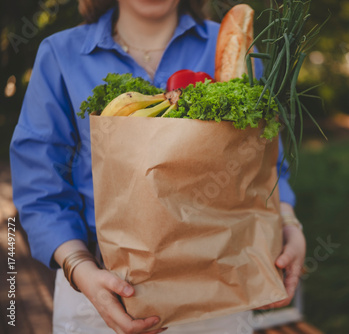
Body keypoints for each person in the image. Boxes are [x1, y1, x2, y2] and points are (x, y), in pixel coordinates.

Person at [10, 0, 307, 333]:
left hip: (220, 289)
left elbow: (267, 167)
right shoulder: (61, 54)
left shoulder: (237, 48)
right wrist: (80, 269)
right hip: (102, 292)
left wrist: (290, 224)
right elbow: (40, 185)